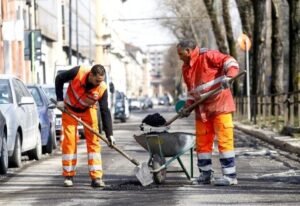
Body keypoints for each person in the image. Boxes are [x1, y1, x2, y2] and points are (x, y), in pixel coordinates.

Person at [177, 40, 240, 186]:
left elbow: (230, 61)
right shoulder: (186, 68)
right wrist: (187, 107)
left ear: (188, 51)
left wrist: (229, 77)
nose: (179, 57)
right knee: (202, 144)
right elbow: (192, 92)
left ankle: (230, 176)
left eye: (180, 54)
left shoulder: (208, 56)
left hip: (220, 105)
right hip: (202, 111)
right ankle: (205, 175)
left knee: (224, 141)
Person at [55, 64, 115, 188]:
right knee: (70, 142)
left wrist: (110, 135)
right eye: (97, 80)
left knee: (94, 141)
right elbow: (59, 78)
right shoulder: (78, 72)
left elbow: (105, 111)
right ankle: (69, 175)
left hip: (89, 110)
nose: (99, 83)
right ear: (91, 75)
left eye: (101, 81)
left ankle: (96, 178)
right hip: (70, 109)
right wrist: (60, 100)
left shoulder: (102, 88)